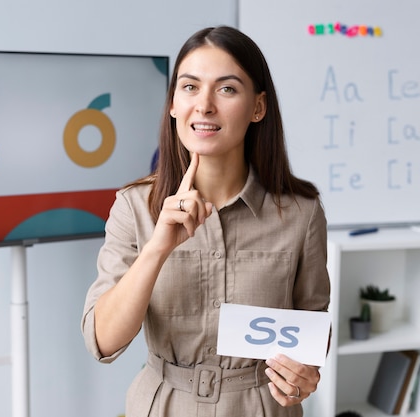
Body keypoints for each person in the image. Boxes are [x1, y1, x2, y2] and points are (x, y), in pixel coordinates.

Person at [81, 25, 330, 417]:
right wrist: (158, 246)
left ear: (258, 107)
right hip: (161, 404)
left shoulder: (301, 212)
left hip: (260, 407)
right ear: (174, 105)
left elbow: (312, 328)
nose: (205, 105)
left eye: (227, 89)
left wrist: (305, 372)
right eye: (190, 87)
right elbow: (103, 343)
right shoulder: (133, 206)